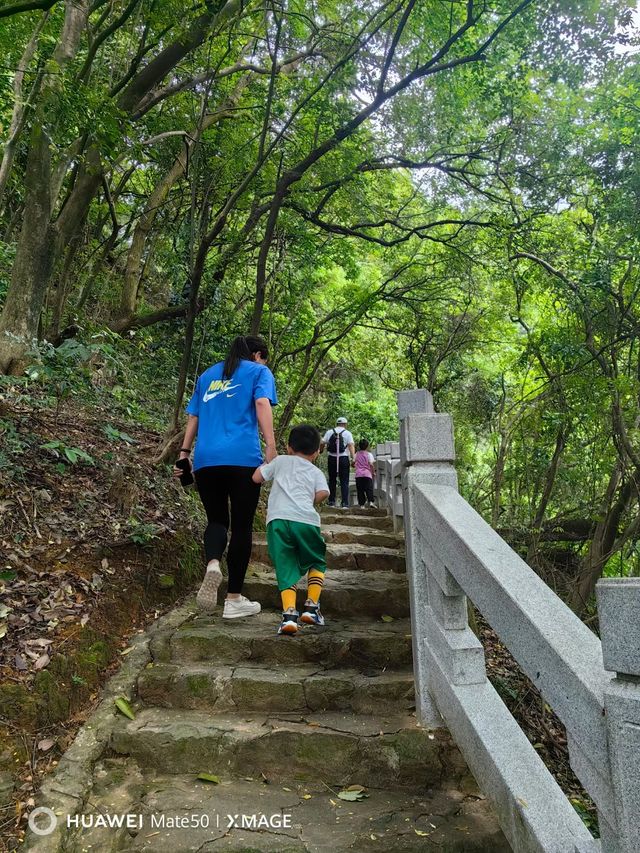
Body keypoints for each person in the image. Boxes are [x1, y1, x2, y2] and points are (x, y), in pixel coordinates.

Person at [175, 335, 277, 618]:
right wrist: (270, 445)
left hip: (207, 460)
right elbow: (261, 404)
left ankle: (212, 564)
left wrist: (184, 453)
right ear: (257, 355)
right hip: (243, 458)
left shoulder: (207, 374)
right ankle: (233, 600)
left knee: (217, 520)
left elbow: (193, 417)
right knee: (242, 527)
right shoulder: (259, 372)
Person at [252, 425, 329, 635]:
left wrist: (267, 461)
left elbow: (256, 478)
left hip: (277, 520)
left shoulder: (280, 462)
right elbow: (323, 492)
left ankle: (289, 616)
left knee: (285, 566)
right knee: (317, 560)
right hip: (306, 521)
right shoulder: (315, 471)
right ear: (317, 452)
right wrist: (309, 502)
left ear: (288, 446)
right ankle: (312, 607)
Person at [320, 416, 355, 509]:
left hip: (332, 458)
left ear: (337, 424)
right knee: (344, 481)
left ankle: (331, 502)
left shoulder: (329, 432)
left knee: (332, 480)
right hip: (343, 458)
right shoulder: (347, 433)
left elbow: (322, 442)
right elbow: (351, 445)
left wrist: (321, 450)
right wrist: (353, 458)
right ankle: (345, 504)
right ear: (345, 424)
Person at [354, 439, 376, 507]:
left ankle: (362, 505)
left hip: (358, 475)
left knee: (360, 490)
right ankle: (371, 502)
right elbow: (371, 464)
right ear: (367, 446)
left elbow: (353, 462)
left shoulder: (356, 454)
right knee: (369, 488)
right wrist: (373, 472)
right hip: (367, 474)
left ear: (359, 446)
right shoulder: (369, 454)